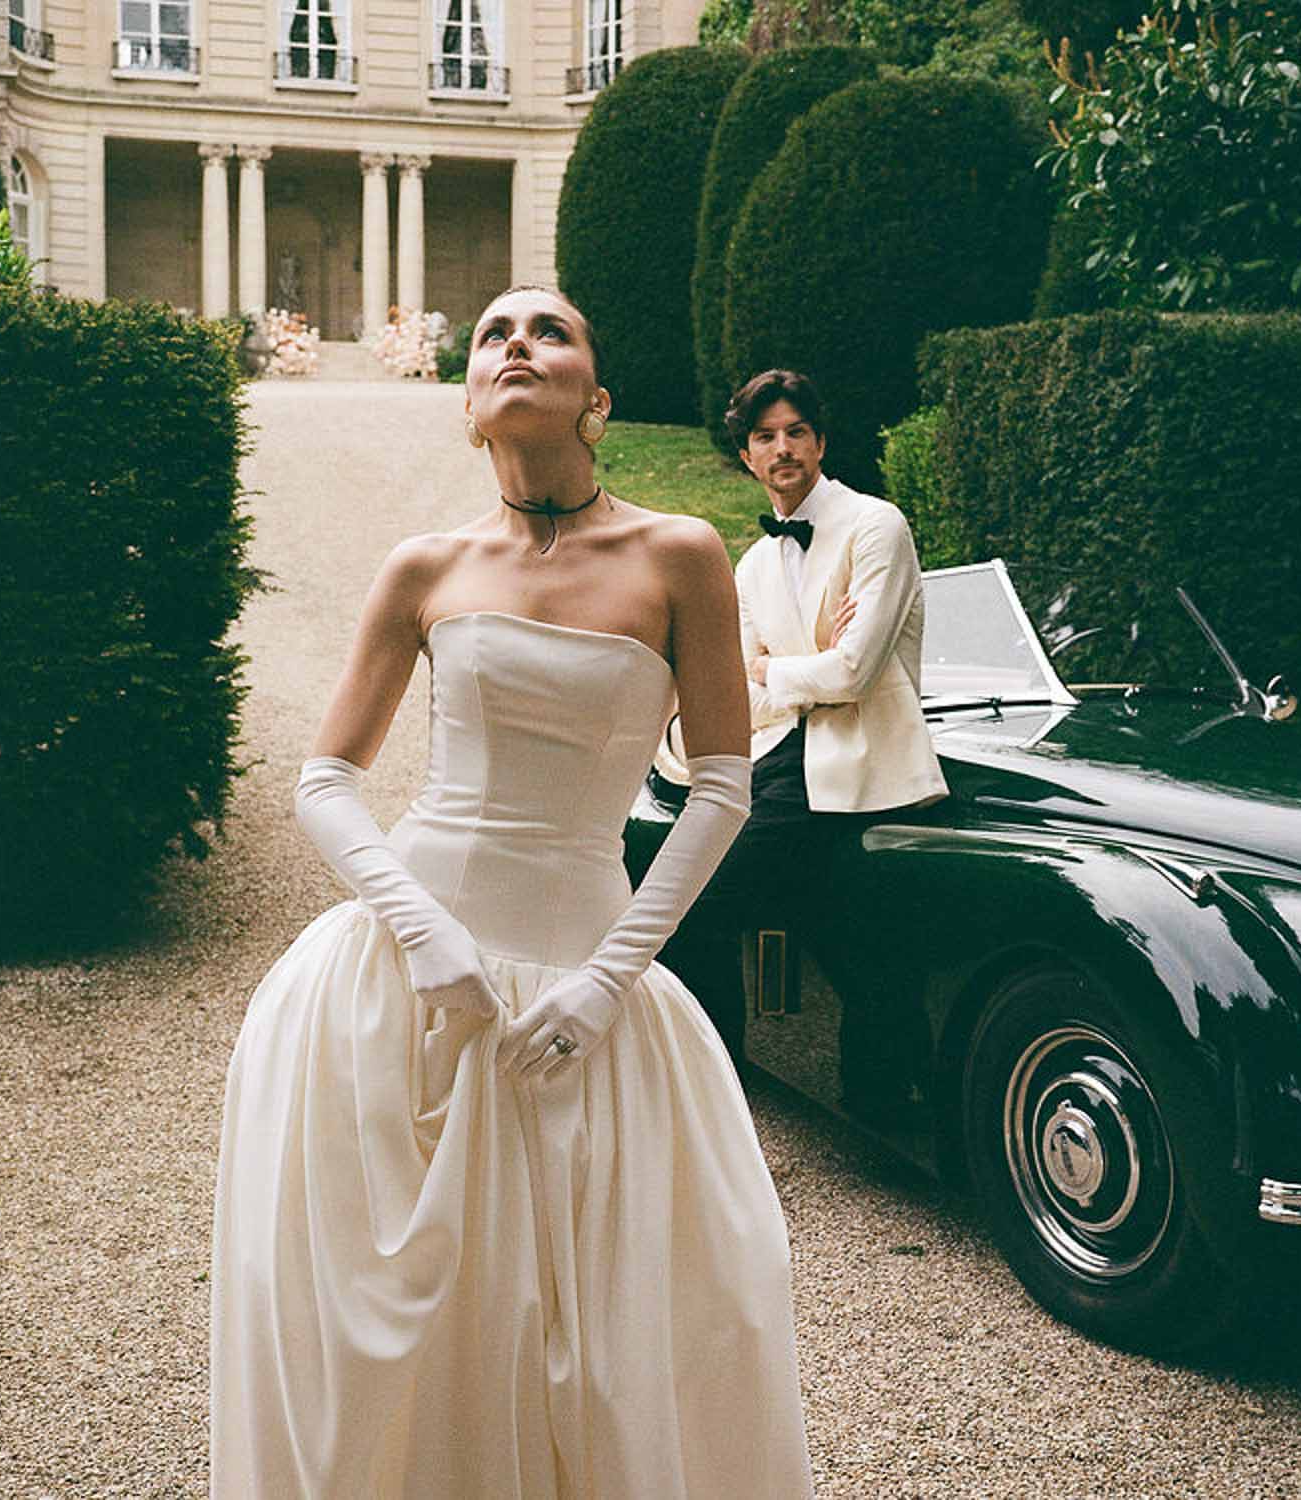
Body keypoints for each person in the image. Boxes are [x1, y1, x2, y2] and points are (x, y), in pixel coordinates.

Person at [210, 287, 814, 1499]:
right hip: (403, 988)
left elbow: (721, 787)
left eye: (550, 331)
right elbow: (325, 779)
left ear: (597, 398)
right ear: (471, 402)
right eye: (493, 333)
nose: (517, 344)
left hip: (585, 993)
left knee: (607, 1337)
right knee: (401, 1331)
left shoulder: (680, 555)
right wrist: (418, 927)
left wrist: (609, 979)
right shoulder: (424, 566)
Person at [657, 369, 948, 1127]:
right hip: (785, 761)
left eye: (795, 432)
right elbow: (739, 695)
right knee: (715, 907)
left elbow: (854, 673)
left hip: (865, 766)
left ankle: (757, 1093)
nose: (781, 448)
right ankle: (719, 1086)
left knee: (706, 903)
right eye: (765, 437)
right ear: (747, 455)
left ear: (820, 442)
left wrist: (775, 669)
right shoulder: (752, 564)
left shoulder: (876, 525)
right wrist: (795, 670)